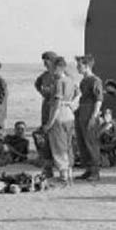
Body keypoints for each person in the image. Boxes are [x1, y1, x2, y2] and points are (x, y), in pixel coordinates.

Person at [43, 56, 79, 185]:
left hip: (59, 116)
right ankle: (69, 175)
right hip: (70, 115)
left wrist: (49, 123)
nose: (51, 71)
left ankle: (63, 176)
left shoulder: (59, 82)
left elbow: (57, 104)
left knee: (59, 147)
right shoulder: (70, 80)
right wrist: (71, 104)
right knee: (68, 146)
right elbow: (78, 94)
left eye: (52, 68)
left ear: (58, 68)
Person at [74, 55, 104, 181]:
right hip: (82, 110)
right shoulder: (83, 81)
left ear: (87, 66)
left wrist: (94, 115)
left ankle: (95, 171)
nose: (77, 68)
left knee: (91, 141)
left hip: (90, 110)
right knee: (82, 141)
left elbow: (99, 99)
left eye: (80, 65)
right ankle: (88, 169)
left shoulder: (95, 80)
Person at [34, 51, 57, 172]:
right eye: (44, 62)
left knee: (54, 131)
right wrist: (42, 92)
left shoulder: (61, 75)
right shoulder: (44, 75)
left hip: (56, 106)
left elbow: (72, 91)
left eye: (47, 61)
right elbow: (37, 84)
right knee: (44, 131)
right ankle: (46, 157)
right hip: (46, 105)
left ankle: (55, 158)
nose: (45, 64)